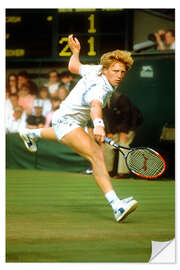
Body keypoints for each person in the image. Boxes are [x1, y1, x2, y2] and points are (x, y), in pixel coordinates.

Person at [19, 34, 138, 223]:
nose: (119, 75)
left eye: (122, 72)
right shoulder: (100, 87)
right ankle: (117, 206)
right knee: (97, 156)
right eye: (115, 71)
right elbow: (95, 106)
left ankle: (31, 133)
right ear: (106, 70)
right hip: (68, 121)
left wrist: (75, 52)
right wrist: (99, 125)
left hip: (65, 120)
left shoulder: (96, 69)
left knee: (62, 134)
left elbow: (73, 67)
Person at [103, 91, 143, 178]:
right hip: (115, 127)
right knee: (108, 145)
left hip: (129, 126)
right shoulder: (100, 100)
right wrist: (109, 131)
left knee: (123, 145)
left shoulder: (120, 98)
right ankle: (108, 171)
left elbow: (127, 116)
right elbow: (106, 117)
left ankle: (123, 173)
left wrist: (124, 132)